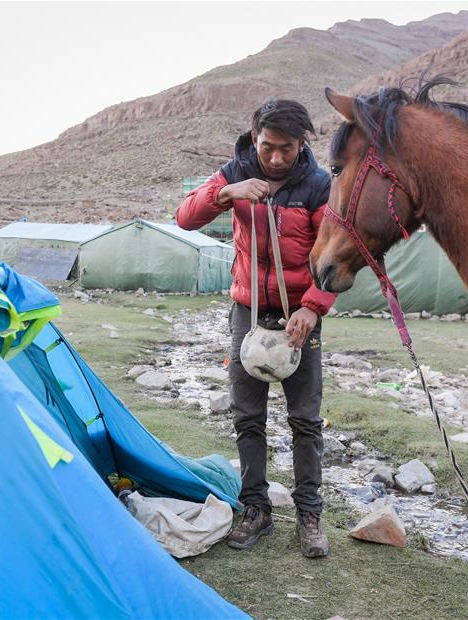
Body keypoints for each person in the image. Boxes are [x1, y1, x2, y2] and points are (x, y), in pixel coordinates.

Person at [176, 99, 336, 558]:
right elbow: (185, 216)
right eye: (268, 147)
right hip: (246, 313)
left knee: (305, 419)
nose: (277, 158)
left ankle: (309, 515)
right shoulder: (235, 171)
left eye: (287, 148)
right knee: (248, 416)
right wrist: (228, 193)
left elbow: (332, 256)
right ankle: (256, 509)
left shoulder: (320, 186)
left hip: (298, 316)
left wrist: (314, 308)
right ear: (255, 138)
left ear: (302, 144)